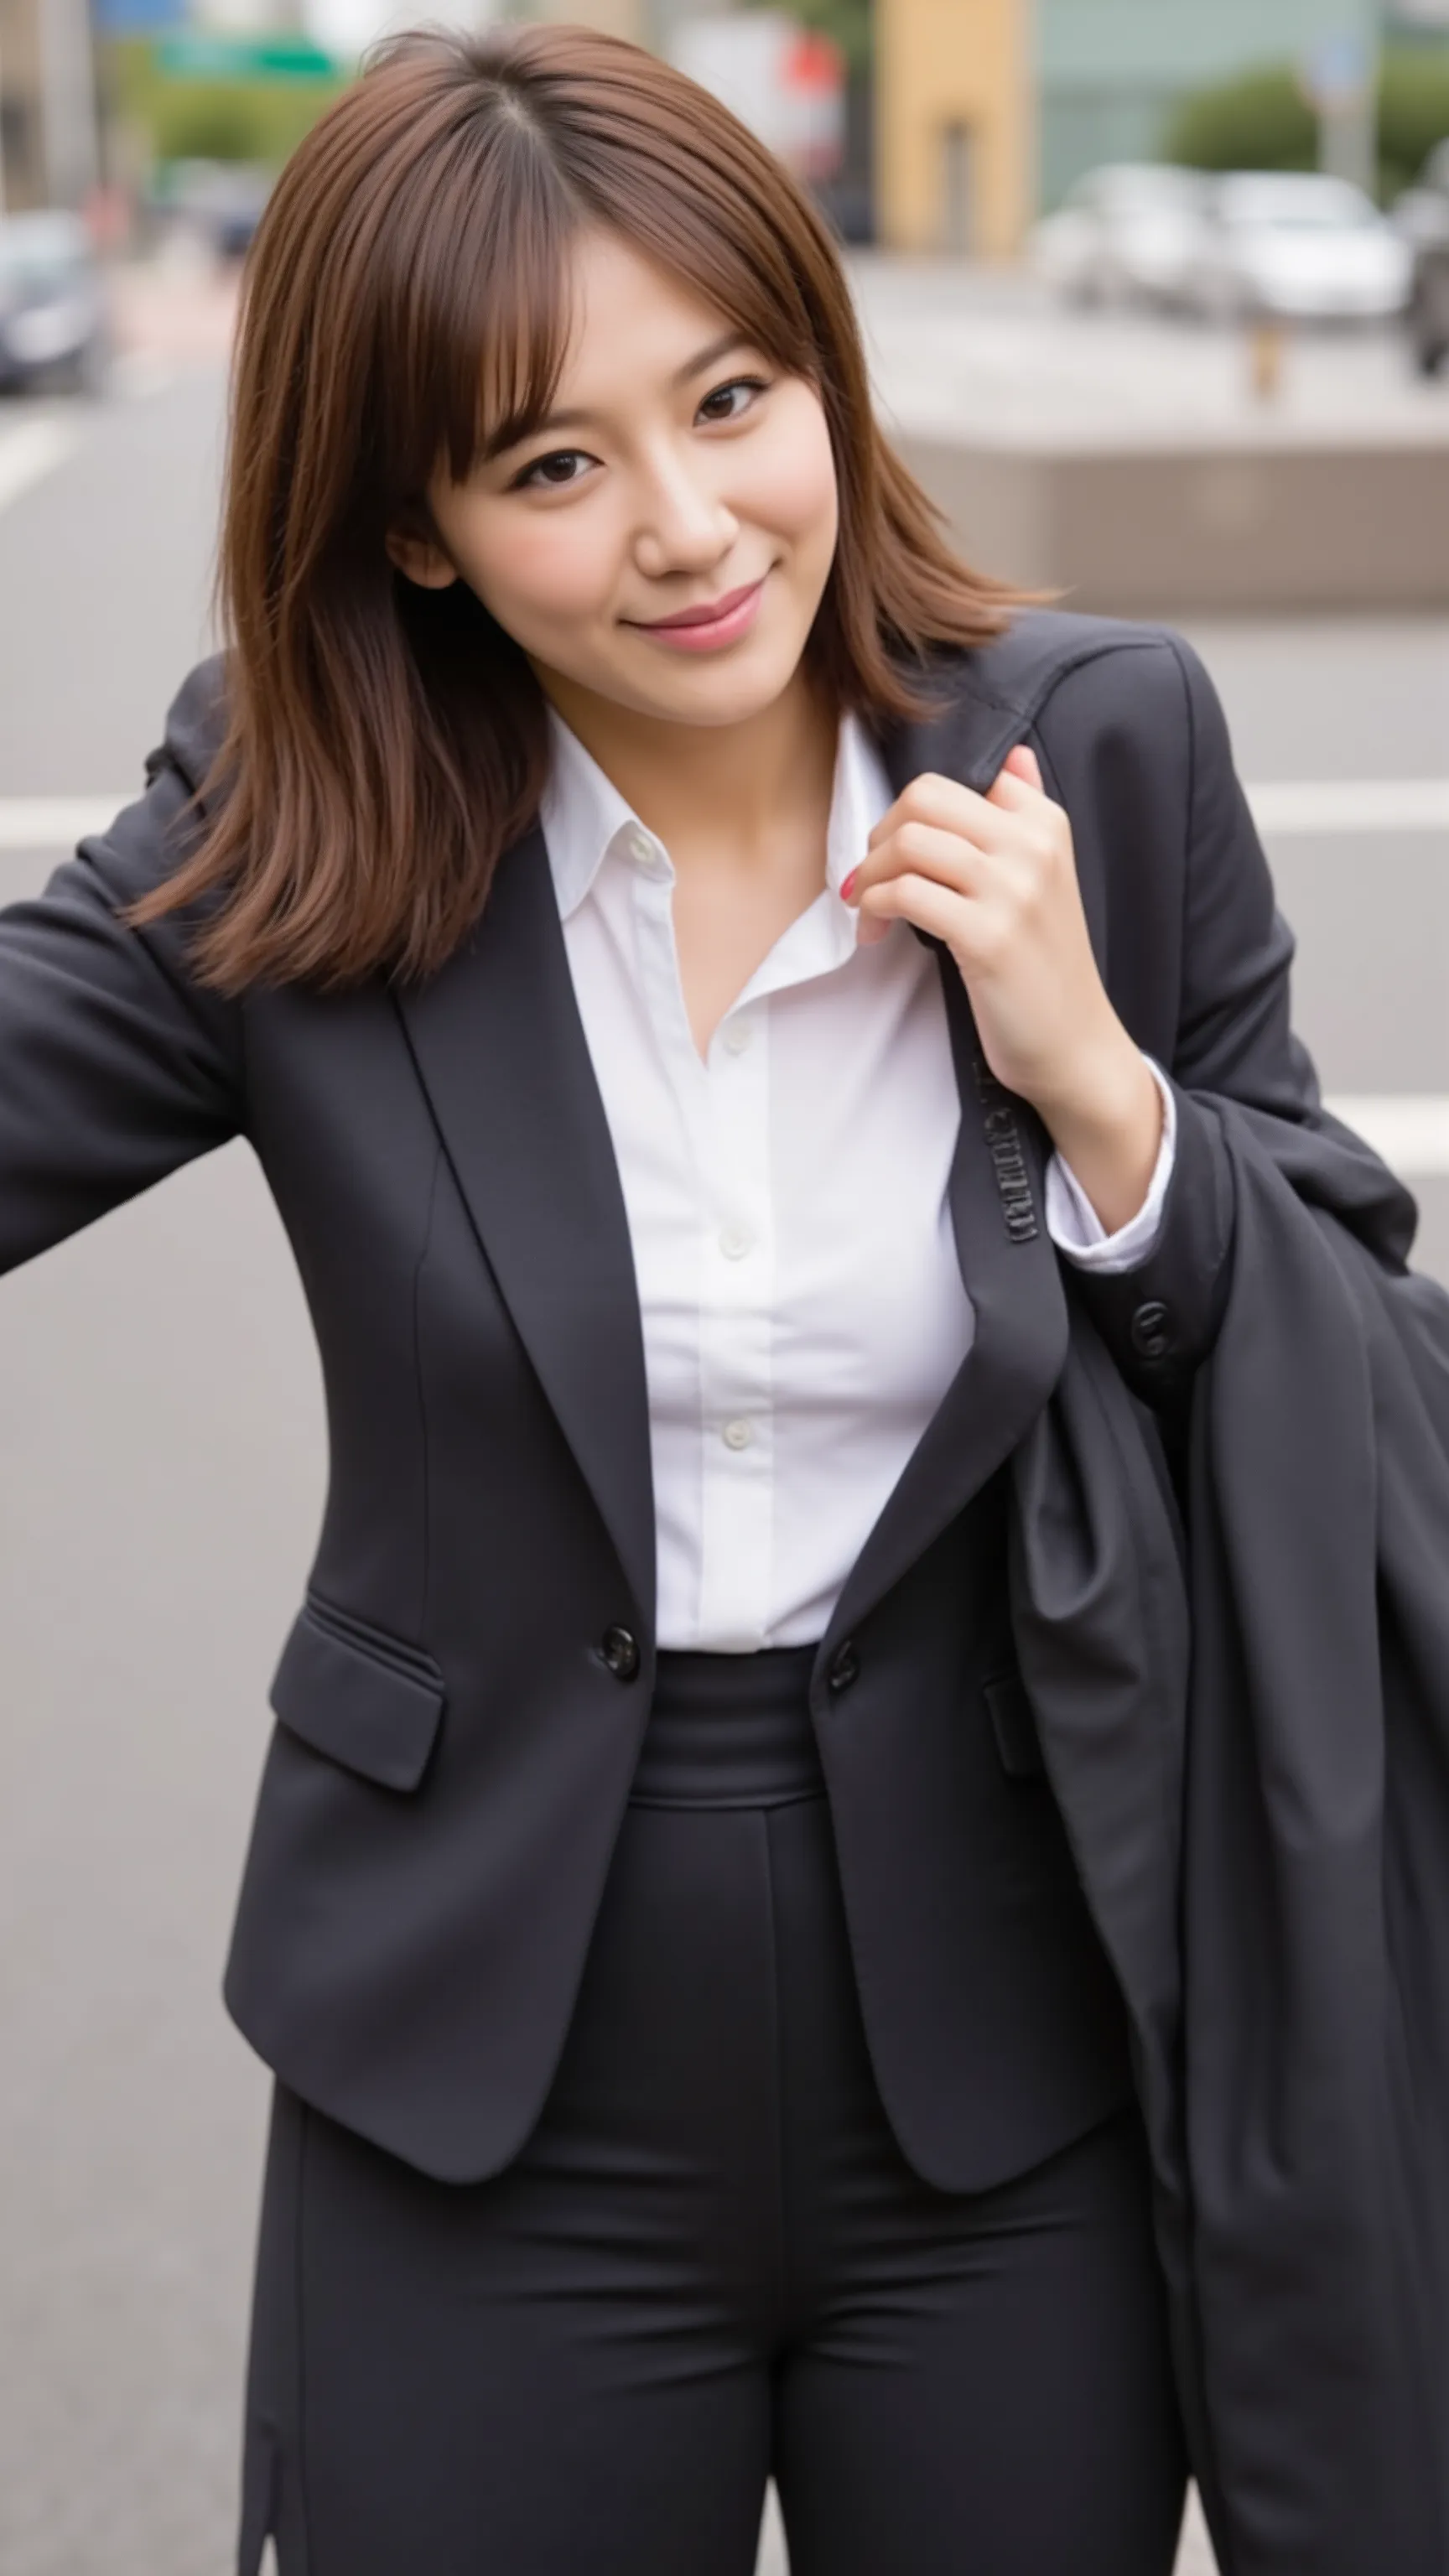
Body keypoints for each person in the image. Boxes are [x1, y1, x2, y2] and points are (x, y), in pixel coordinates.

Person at [8, 23, 1445, 2576]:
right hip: (477, 2057)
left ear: (823, 365)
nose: (689, 527)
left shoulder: (1097, 751)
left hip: (1005, 2045)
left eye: (734, 397)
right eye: (556, 462)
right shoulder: (304, 814)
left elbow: (1332, 1309)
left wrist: (1104, 1096)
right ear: (425, 527)